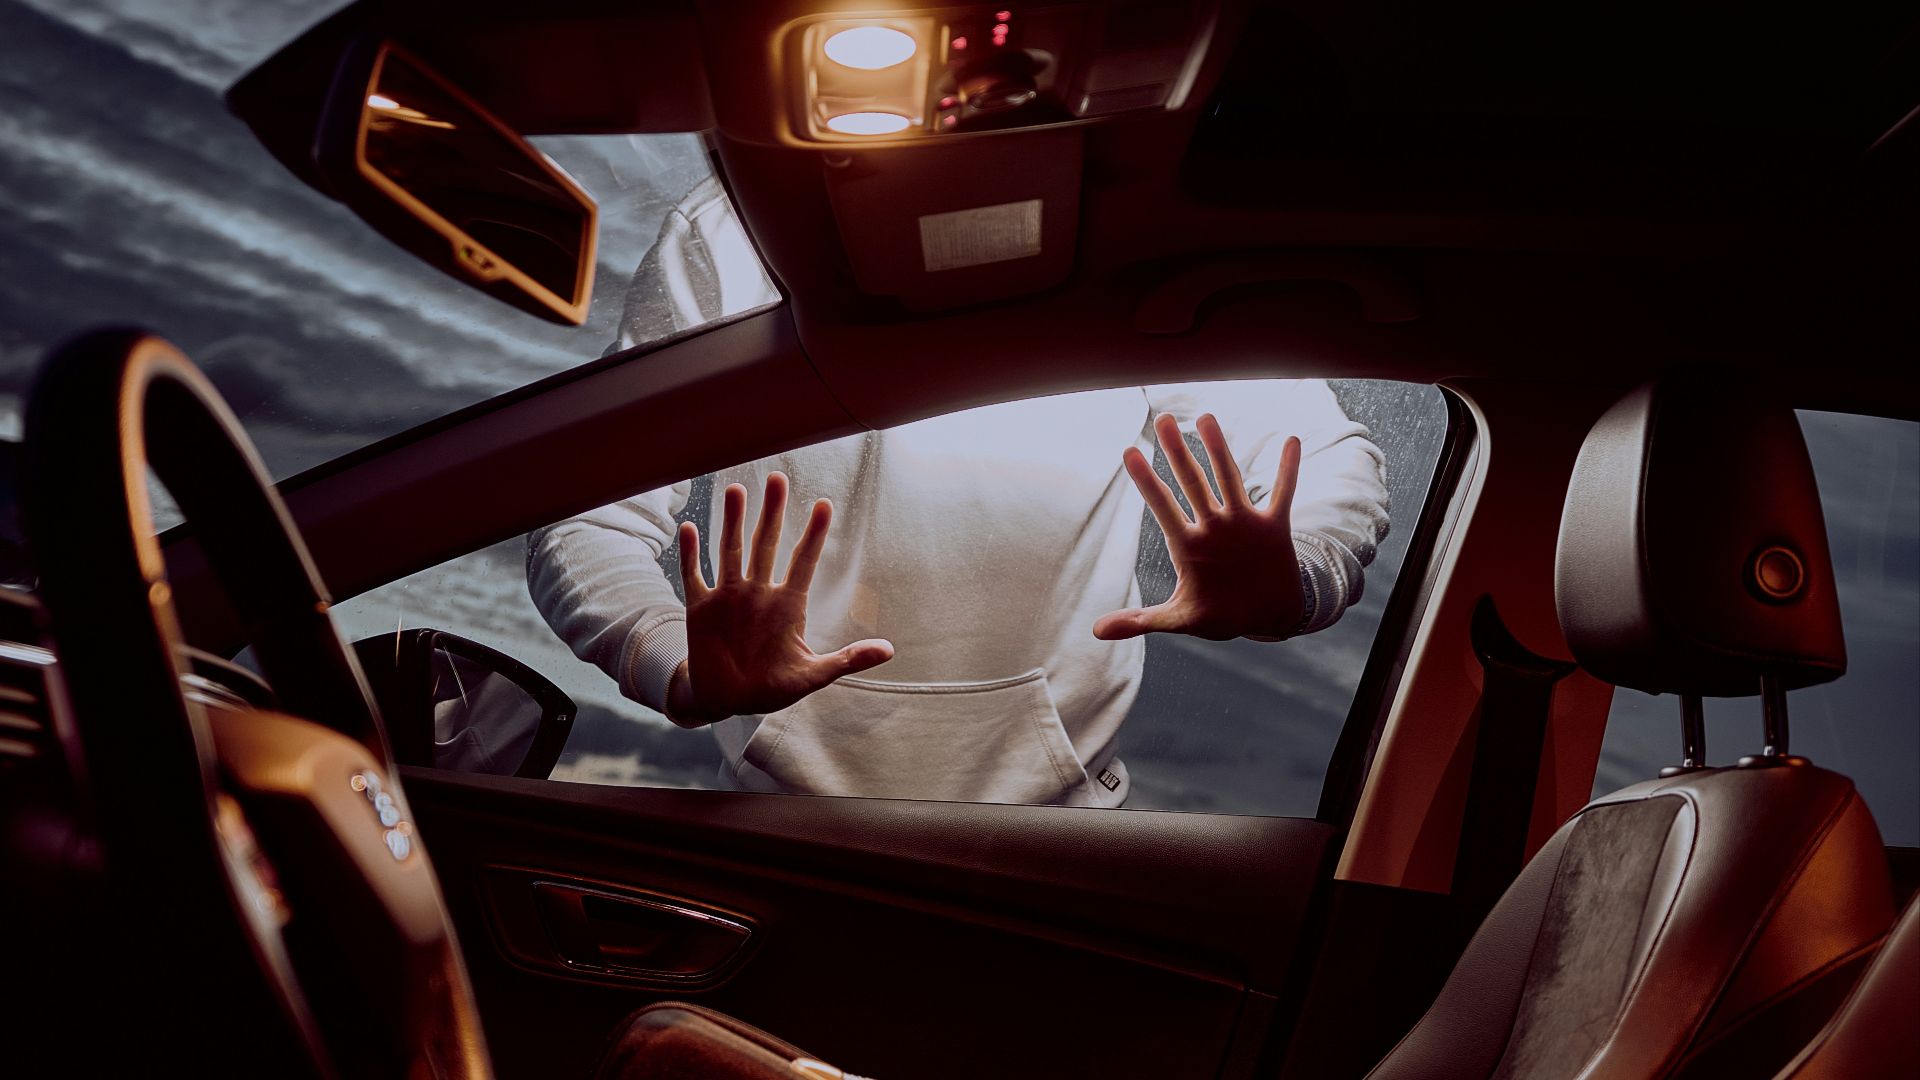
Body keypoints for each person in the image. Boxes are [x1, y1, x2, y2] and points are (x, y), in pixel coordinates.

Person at [527, 185, 1390, 806]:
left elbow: (1327, 453)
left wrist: (1298, 575)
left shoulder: (1130, 229)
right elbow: (586, 510)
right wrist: (675, 664)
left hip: (1063, 836)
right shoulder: (735, 233)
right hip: (777, 819)